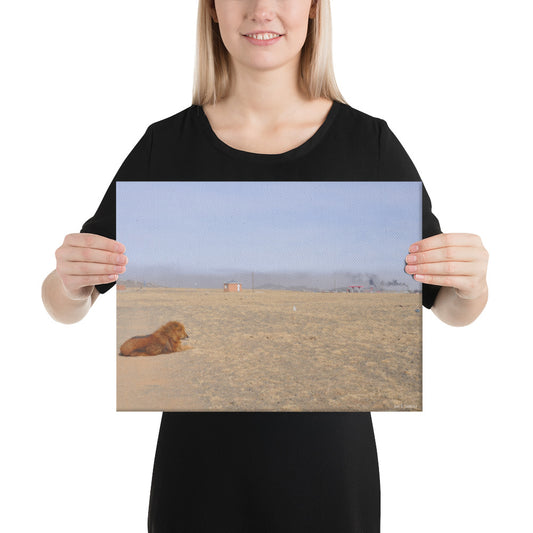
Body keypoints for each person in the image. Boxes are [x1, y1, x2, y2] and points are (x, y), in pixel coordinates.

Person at [41, 0, 489, 531]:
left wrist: (472, 283)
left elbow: (450, 308)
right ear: (212, 10)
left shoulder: (369, 145)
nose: (262, 9)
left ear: (314, 10)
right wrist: (69, 284)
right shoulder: (165, 147)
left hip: (331, 482)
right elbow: (65, 303)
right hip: (197, 482)